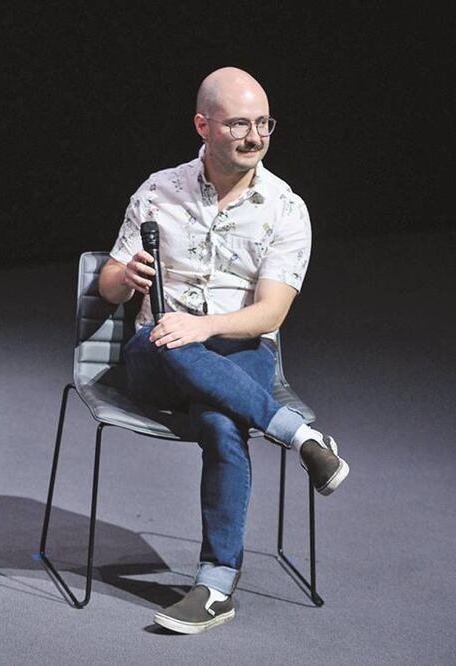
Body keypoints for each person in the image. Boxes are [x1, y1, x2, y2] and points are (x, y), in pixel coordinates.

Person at [100, 67, 350, 635]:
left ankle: (214, 586)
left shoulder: (286, 208)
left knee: (220, 418)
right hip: (154, 354)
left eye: (263, 123)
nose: (254, 136)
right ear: (203, 124)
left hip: (242, 350)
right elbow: (108, 282)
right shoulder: (158, 191)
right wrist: (125, 276)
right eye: (239, 123)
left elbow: (272, 314)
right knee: (166, 336)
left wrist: (204, 326)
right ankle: (301, 436)